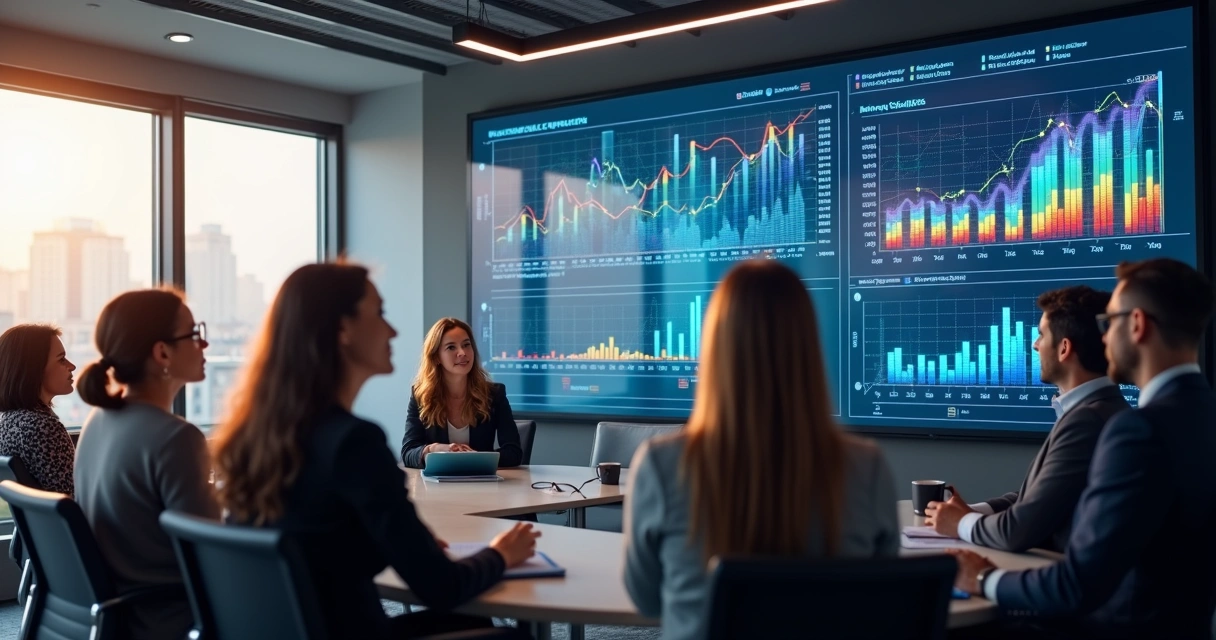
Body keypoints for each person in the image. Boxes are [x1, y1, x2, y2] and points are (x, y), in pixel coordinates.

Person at [211, 263, 538, 640]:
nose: (392, 330)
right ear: (343, 330)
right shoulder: (354, 443)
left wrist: (393, 544)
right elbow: (443, 588)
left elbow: (318, 540)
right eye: (380, 313)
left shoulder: (261, 436)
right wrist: (501, 555)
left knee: (472, 624)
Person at [623, 259, 899, 640]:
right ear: (808, 348)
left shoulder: (661, 466)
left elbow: (647, 599)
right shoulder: (867, 469)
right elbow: (882, 600)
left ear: (715, 348)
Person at [950, 258, 1216, 640]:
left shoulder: (1139, 431)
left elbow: (1077, 585)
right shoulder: (1202, 414)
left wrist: (982, 578)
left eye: (1109, 323)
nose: (1103, 338)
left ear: (1137, 324)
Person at [925, 286, 1129, 552]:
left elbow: (1018, 530)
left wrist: (961, 523)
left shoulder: (1087, 421)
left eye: (1041, 334)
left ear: (1064, 348)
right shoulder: (1098, 409)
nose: (1034, 344)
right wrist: (974, 511)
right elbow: (1037, 499)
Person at [73, 289, 218, 640]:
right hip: (172, 618)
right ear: (162, 352)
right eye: (194, 334)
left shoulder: (97, 420)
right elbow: (212, 556)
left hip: (121, 615)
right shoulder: (176, 438)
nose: (204, 344)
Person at [400, 318, 522, 469]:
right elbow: (408, 453)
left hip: (482, 480)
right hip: (438, 482)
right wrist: (434, 449)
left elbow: (514, 453)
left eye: (466, 345)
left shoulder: (494, 394)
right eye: (451, 347)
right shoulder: (421, 396)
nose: (462, 353)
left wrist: (476, 458)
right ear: (436, 357)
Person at [0, 324, 77, 495]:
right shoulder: (44, 427)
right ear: (34, 368)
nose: (72, 366)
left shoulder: (9, 421)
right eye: (61, 359)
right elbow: (71, 498)